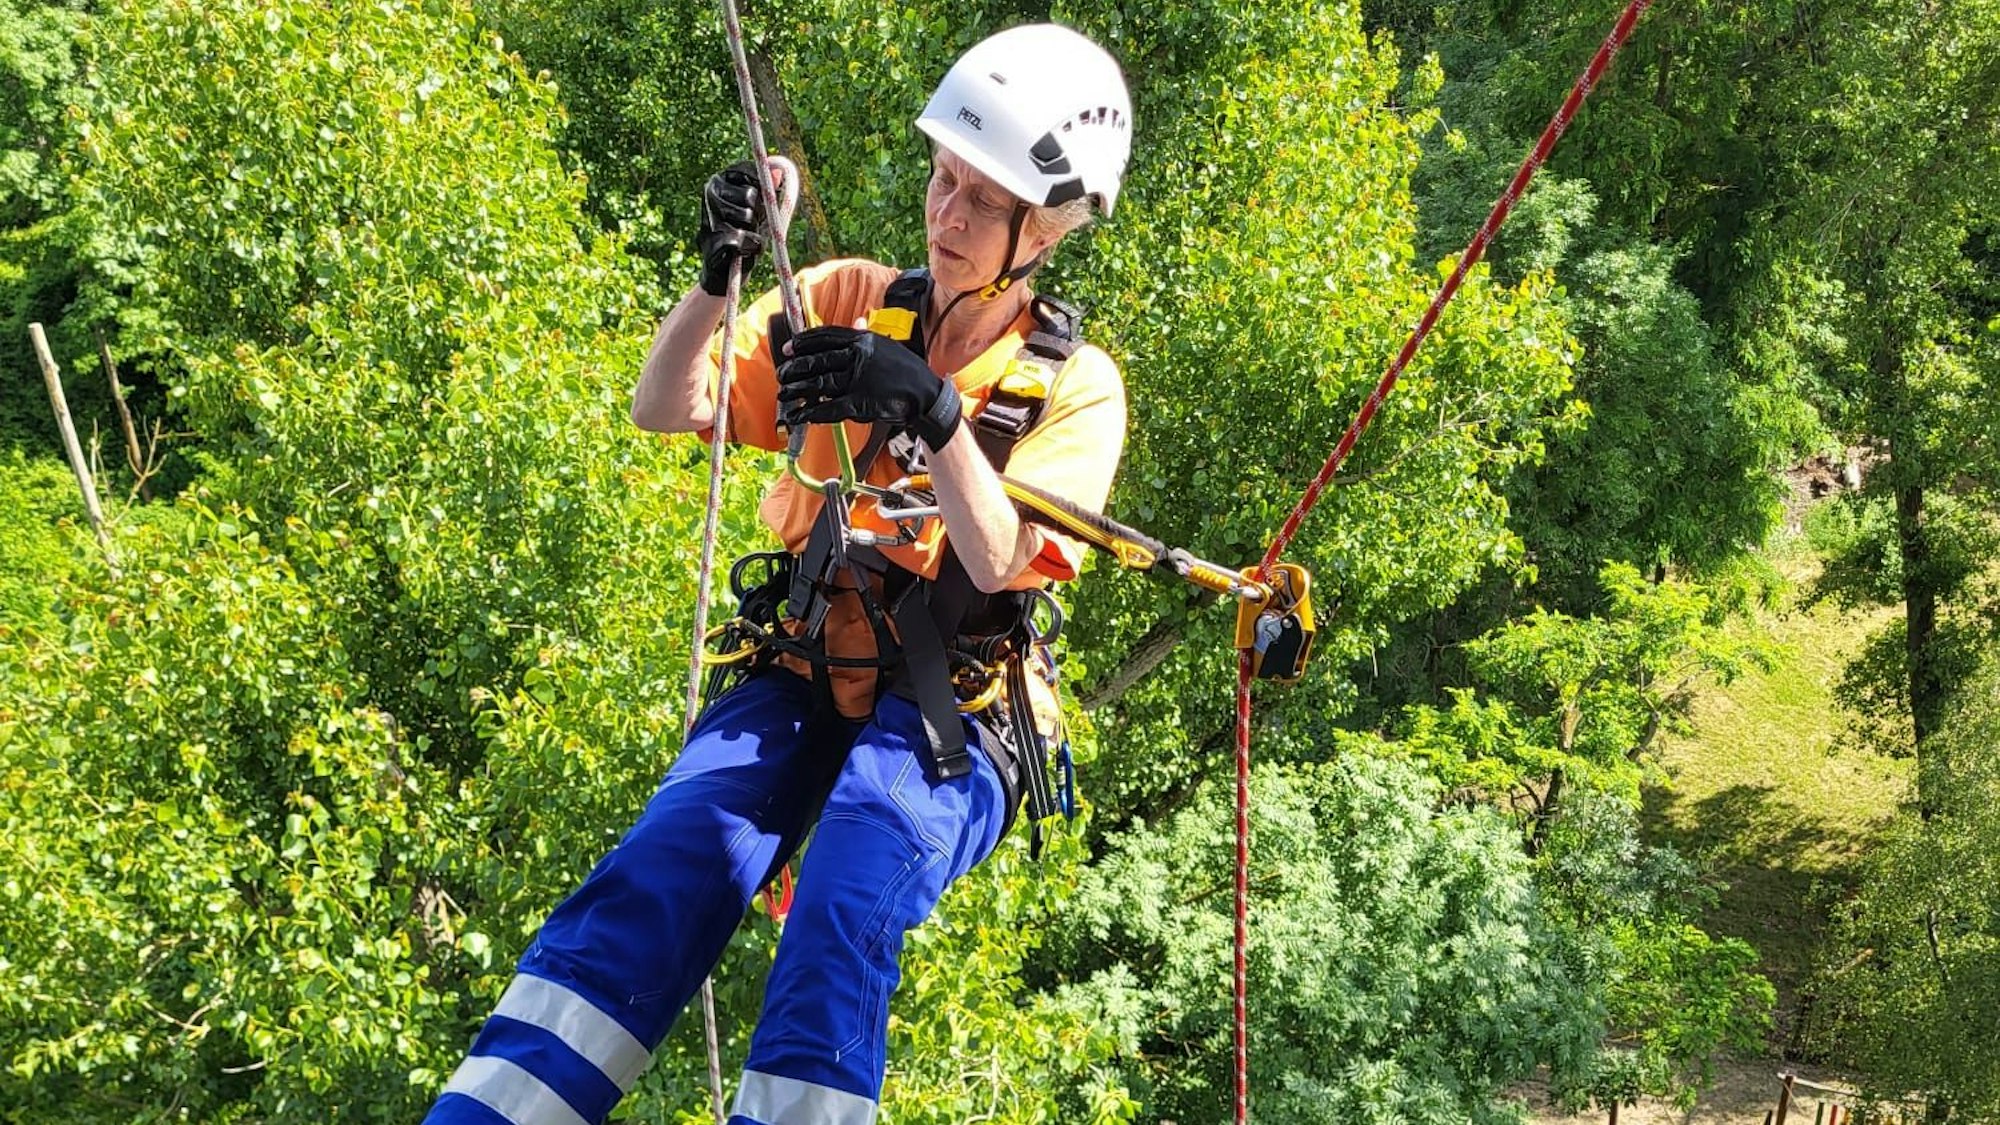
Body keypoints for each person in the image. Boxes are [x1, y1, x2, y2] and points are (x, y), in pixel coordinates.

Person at [424, 22, 1132, 1125]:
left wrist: (936, 413)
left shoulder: (1074, 388)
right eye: (942, 178)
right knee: (663, 868)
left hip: (955, 711)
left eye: (980, 200)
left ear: (1046, 226)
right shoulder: (849, 297)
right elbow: (667, 405)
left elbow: (998, 561)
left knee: (846, 896)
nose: (944, 215)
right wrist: (717, 280)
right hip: (806, 664)